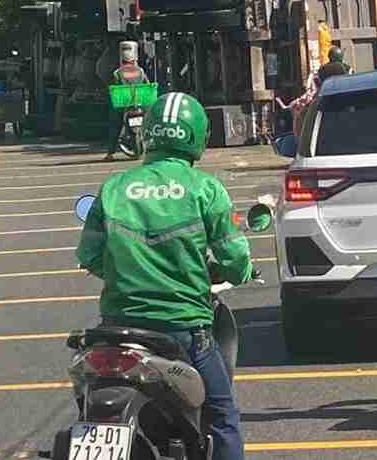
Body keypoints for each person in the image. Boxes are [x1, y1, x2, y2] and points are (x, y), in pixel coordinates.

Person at [77, 92, 252, 460]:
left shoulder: (114, 188)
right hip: (184, 330)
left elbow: (90, 255)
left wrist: (128, 271)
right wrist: (243, 271)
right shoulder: (205, 189)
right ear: (198, 137)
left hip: (117, 327)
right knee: (221, 418)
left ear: (150, 135)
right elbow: (234, 259)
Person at [103, 41, 149, 161]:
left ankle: (110, 153)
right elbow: (148, 85)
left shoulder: (117, 73)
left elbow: (112, 89)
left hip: (123, 105)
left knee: (115, 125)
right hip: (139, 103)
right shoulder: (141, 71)